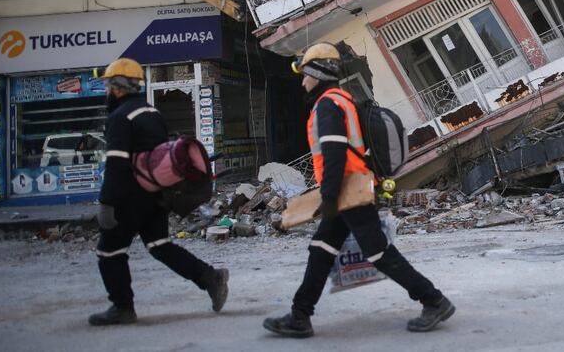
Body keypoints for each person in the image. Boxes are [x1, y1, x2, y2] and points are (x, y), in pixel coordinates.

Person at [263, 42, 454, 338]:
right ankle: (300, 315)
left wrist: (328, 197)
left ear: (318, 72)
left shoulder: (327, 104)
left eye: (305, 74)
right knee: (321, 249)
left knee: (377, 252)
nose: (303, 81)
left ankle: (433, 299)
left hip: (349, 189)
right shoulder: (342, 99)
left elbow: (335, 153)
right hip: (351, 186)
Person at [90, 58, 229, 326]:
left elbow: (117, 165)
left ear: (117, 87)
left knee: (110, 251)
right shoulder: (151, 112)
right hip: (157, 194)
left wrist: (106, 203)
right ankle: (210, 278)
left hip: (129, 197)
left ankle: (122, 307)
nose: (107, 91)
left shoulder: (119, 117)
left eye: (108, 85)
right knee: (160, 246)